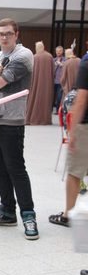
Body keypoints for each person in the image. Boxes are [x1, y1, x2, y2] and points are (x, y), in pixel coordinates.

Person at [0, 18, 39, 240]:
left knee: (16, 169)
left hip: (11, 122)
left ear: (16, 34)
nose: (4, 37)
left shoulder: (24, 55)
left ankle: (29, 216)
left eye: (8, 33)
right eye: (1, 33)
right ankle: (6, 212)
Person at [49, 59, 88, 229]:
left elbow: (81, 99)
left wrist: (72, 131)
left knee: (74, 172)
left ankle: (68, 214)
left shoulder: (87, 62)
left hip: (85, 126)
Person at [25, 41, 54, 125]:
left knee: (33, 98)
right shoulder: (49, 56)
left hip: (35, 83)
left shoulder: (34, 57)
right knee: (46, 100)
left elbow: (30, 71)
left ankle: (33, 118)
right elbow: (53, 71)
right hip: (47, 84)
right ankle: (45, 119)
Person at [54, 45, 65, 113]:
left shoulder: (65, 59)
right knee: (52, 96)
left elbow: (67, 67)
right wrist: (54, 65)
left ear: (62, 51)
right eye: (57, 51)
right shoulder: (53, 59)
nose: (58, 52)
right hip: (53, 80)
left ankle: (58, 110)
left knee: (59, 97)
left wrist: (61, 64)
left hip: (60, 81)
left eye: (60, 51)